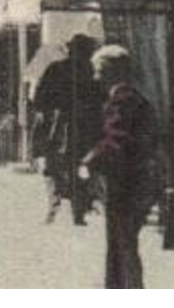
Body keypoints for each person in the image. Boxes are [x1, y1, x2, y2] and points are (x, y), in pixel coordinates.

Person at [80, 44, 157, 290]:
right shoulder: (134, 97)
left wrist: (91, 159)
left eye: (98, 70)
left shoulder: (122, 99)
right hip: (136, 180)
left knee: (122, 244)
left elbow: (118, 140)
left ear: (112, 70)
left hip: (126, 183)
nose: (95, 77)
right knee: (123, 243)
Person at [31, 34, 103, 225]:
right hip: (85, 128)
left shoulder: (56, 69)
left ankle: (54, 207)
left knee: (54, 167)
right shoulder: (92, 72)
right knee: (81, 166)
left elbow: (39, 99)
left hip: (59, 126)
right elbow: (100, 101)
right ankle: (78, 210)